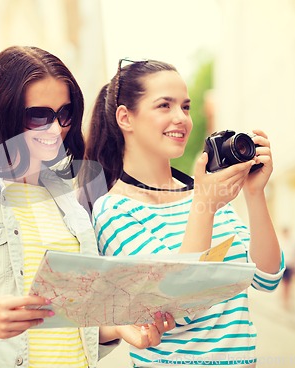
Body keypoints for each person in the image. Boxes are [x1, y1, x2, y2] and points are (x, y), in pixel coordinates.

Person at [0, 46, 174, 368]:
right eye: (39, 116)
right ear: (4, 113)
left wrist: (118, 326)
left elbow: (71, 317)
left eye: (64, 114)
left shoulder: (68, 197)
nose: (55, 130)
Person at [83, 58, 284, 367]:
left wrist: (255, 194)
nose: (181, 118)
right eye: (165, 106)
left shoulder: (204, 192)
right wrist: (205, 206)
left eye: (186, 107)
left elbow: (267, 278)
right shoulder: (114, 209)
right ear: (125, 118)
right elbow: (172, 305)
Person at [278, 227, 295, 309]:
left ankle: (287, 299)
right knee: (284, 283)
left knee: (288, 284)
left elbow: (293, 254)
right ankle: (284, 300)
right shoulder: (281, 242)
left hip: (289, 265)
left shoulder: (291, 242)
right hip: (283, 265)